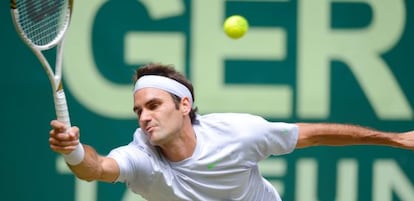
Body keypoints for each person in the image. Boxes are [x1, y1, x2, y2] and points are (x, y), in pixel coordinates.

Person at [49, 63, 414, 201]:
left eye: (154, 105)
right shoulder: (140, 158)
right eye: (139, 110)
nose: (144, 117)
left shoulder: (237, 134)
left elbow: (315, 134)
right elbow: (95, 169)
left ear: (185, 106)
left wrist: (396, 139)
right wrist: (74, 152)